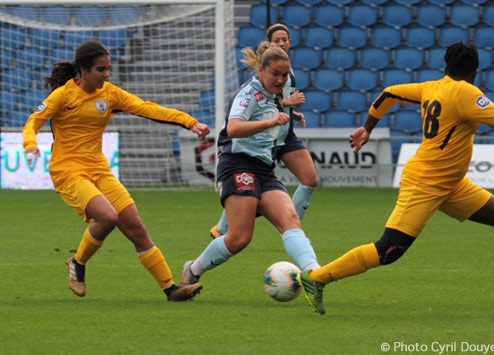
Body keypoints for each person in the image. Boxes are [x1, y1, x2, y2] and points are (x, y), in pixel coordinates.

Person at [296, 42, 494, 315]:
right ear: (475, 72)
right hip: (425, 183)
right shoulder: (466, 93)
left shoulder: (432, 87)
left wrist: (367, 128)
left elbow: (388, 94)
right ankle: (316, 278)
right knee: (389, 250)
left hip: (451, 184)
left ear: (445, 67)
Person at [22, 39, 209, 301]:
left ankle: (171, 289)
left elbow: (146, 108)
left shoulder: (109, 94)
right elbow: (34, 121)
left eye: (108, 68)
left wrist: (189, 122)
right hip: (68, 171)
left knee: (136, 228)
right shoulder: (63, 95)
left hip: (99, 169)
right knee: (107, 217)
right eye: (101, 69)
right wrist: (30, 145)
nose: (106, 74)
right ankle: (77, 262)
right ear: (83, 70)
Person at [181, 45, 320, 287]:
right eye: (275, 74)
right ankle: (193, 270)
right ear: (261, 70)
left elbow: (271, 109)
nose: (280, 80)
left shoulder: (274, 93)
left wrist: (287, 113)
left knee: (290, 219)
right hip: (237, 164)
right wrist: (270, 121)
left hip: (263, 168)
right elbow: (233, 128)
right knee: (239, 238)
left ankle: (315, 275)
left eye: (284, 75)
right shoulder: (248, 94)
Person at [210, 23, 318, 238]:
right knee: (252, 189)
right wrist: (289, 103)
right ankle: (223, 228)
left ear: (290, 41)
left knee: (310, 179)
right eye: (276, 40)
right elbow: (262, 105)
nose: (281, 43)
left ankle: (290, 227)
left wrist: (292, 112)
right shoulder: (262, 78)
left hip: (286, 133)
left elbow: (274, 102)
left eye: (284, 39)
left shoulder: (288, 72)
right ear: (269, 43)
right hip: (270, 137)